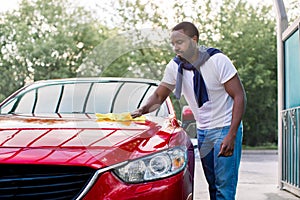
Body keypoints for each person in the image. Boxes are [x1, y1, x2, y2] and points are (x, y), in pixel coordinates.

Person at [131, 21, 246, 200]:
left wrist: (231, 135)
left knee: (225, 186)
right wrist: (142, 110)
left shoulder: (217, 60)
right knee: (213, 185)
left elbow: (239, 96)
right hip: (203, 132)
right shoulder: (175, 67)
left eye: (180, 42)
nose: (176, 47)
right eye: (173, 43)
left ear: (194, 40)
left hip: (225, 127)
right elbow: (159, 96)